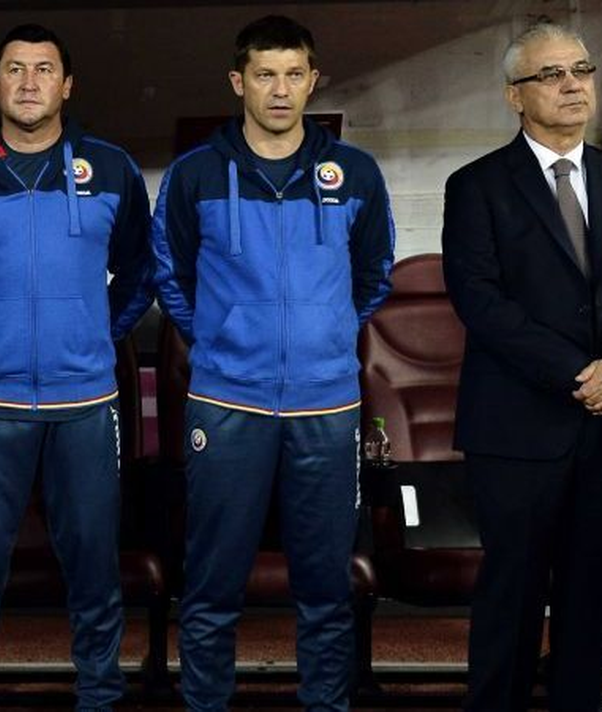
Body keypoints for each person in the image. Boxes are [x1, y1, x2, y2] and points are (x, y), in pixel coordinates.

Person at [152, 14, 394, 711]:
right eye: (265, 75)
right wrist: (224, 338)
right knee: (212, 584)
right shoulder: (196, 174)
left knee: (326, 589)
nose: (280, 90)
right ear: (239, 82)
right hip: (228, 404)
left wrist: (325, 334)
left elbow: (373, 276)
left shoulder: (354, 173)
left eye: (294, 75)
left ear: (313, 80)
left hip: (327, 406)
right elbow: (172, 275)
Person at [0, 23, 153, 711]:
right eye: (15, 69)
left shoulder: (110, 169)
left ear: (67, 85)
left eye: (44, 69)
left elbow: (140, 272)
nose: (29, 82)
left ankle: (100, 694)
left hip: (84, 402)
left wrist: (95, 334)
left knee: (93, 561)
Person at [441, 21, 602, 711]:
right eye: (551, 74)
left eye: (582, 69)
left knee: (593, 599)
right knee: (512, 597)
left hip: (601, 428)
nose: (572, 85)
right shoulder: (476, 185)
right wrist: (581, 373)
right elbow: (479, 300)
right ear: (515, 95)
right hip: (516, 429)